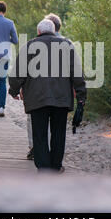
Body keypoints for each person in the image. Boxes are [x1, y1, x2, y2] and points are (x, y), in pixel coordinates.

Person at [9, 19, 87, 173]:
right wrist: (81, 95)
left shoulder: (30, 46)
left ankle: (44, 167)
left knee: (39, 133)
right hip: (61, 98)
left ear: (38, 32)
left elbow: (17, 73)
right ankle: (56, 166)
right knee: (58, 133)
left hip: (37, 99)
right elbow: (77, 73)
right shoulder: (67, 45)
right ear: (54, 30)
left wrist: (14, 90)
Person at [25, 13, 64, 160]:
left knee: (34, 121)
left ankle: (36, 148)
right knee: (57, 128)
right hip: (60, 94)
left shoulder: (34, 43)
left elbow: (24, 68)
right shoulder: (67, 43)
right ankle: (55, 161)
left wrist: (18, 88)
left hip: (37, 93)